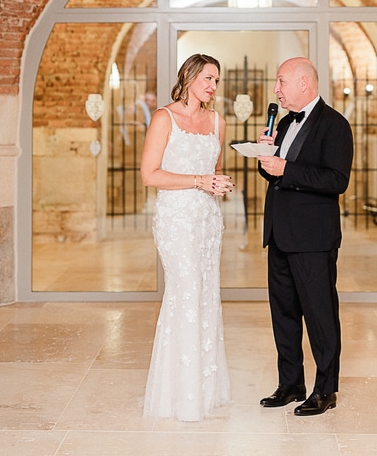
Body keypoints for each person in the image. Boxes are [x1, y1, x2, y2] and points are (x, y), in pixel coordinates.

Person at [256, 57, 354, 416]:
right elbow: (278, 177)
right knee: (283, 313)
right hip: (279, 235)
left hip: (313, 239)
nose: (277, 89)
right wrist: (266, 156)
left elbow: (336, 181)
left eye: (281, 81)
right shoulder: (283, 123)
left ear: (304, 83)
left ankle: (326, 390)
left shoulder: (335, 125)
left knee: (320, 315)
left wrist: (287, 168)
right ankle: (291, 383)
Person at [140, 53, 234, 421]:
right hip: (176, 219)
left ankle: (204, 390)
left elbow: (215, 170)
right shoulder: (164, 118)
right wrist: (198, 182)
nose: (212, 86)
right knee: (186, 292)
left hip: (208, 221)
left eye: (216, 80)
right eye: (208, 78)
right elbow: (150, 174)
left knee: (206, 296)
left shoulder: (216, 122)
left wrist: (217, 185)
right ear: (190, 76)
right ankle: (179, 395)